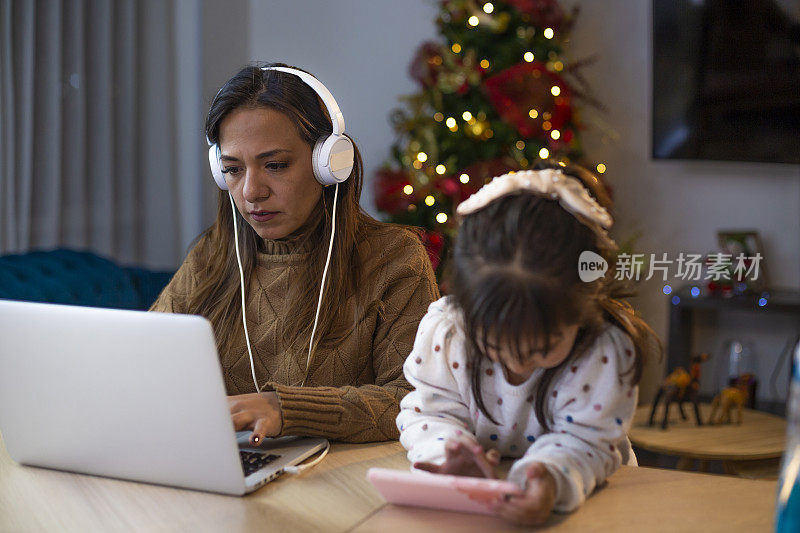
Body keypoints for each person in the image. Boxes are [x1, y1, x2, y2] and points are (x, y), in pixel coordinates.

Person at [150, 63, 439, 445]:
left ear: (330, 163)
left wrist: (284, 408)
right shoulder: (212, 256)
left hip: (337, 482)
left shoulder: (394, 258)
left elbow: (416, 401)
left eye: (275, 165)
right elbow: (145, 365)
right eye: (233, 170)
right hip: (224, 466)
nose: (251, 191)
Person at [396, 162, 660, 526]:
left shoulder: (603, 353)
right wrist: (450, 455)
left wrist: (548, 479)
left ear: (584, 307)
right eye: (495, 343)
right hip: (479, 509)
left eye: (543, 347)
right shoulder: (450, 332)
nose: (518, 363)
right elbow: (430, 413)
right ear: (467, 303)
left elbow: (588, 442)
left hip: (593, 508)